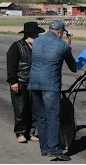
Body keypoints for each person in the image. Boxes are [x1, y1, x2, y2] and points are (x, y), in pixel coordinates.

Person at [28, 20, 77, 161]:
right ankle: (55, 150)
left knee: (41, 117)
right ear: (60, 32)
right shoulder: (63, 45)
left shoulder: (36, 41)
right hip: (50, 85)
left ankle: (44, 149)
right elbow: (73, 67)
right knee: (53, 117)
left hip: (34, 83)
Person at [6, 21, 45, 143]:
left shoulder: (38, 47)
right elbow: (11, 65)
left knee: (34, 109)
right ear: (30, 35)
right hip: (21, 82)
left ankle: (31, 132)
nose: (37, 37)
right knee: (21, 109)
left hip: (35, 82)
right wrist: (13, 82)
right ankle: (20, 133)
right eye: (36, 34)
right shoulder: (16, 46)